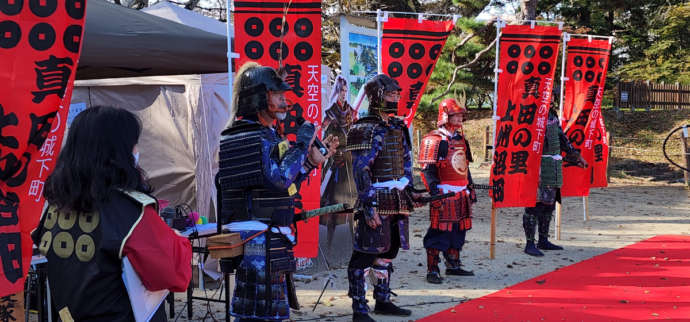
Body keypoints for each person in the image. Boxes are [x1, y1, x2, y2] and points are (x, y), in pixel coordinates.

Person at [32, 106, 192, 322]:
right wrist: (177, 240)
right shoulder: (131, 210)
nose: (137, 150)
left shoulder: (55, 204)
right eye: (134, 144)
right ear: (119, 151)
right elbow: (171, 275)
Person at [216, 62, 336, 321]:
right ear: (259, 97)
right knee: (263, 314)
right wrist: (303, 141)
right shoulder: (252, 136)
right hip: (259, 241)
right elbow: (281, 178)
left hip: (264, 239)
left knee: (259, 312)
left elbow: (280, 186)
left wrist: (310, 163)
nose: (285, 101)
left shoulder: (256, 135)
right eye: (278, 95)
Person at [346, 74, 415, 322]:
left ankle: (383, 300)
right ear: (376, 97)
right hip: (375, 198)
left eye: (397, 94)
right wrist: (369, 204)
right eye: (390, 94)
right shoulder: (364, 128)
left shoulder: (398, 126)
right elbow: (361, 169)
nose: (395, 98)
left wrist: (410, 190)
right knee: (365, 254)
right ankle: (359, 309)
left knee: (388, 251)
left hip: (397, 199)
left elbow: (406, 162)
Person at [418, 97, 476, 284]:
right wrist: (434, 192)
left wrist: (471, 187)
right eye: (455, 115)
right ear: (445, 116)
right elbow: (427, 170)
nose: (460, 119)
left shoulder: (461, 140)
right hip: (444, 192)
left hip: (461, 191)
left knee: (459, 229)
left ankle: (453, 264)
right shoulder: (434, 139)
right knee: (439, 231)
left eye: (461, 115)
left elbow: (464, 166)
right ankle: (432, 269)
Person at [523, 103, 587, 256]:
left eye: (552, 94)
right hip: (536, 165)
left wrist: (576, 155)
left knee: (549, 204)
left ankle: (543, 239)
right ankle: (529, 243)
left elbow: (561, 137)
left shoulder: (552, 115)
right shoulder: (530, 113)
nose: (550, 97)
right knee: (534, 205)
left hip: (553, 165)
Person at [321, 75, 357, 250]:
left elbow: (356, 133)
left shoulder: (351, 112)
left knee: (353, 200)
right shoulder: (330, 113)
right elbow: (324, 137)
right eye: (341, 90)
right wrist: (333, 152)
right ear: (336, 90)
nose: (344, 93)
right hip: (336, 161)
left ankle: (353, 240)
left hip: (349, 160)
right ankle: (329, 242)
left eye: (345, 90)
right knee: (332, 201)